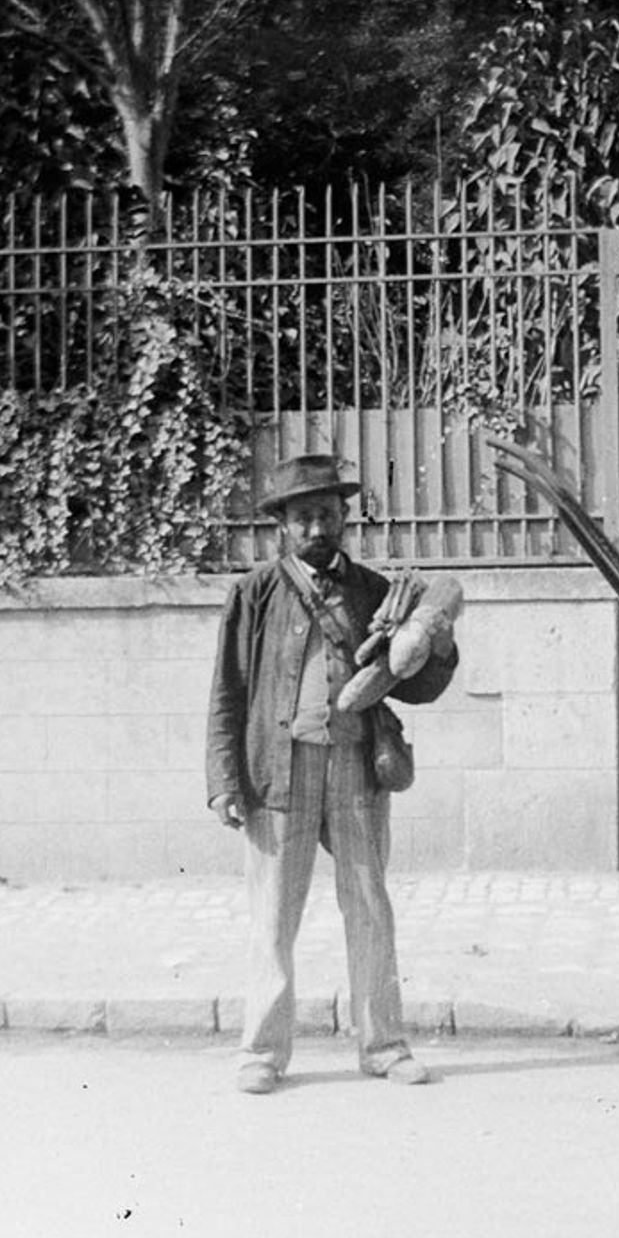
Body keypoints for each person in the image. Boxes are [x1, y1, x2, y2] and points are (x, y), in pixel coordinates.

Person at [205, 454, 459, 1094]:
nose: (316, 528)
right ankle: (261, 1051)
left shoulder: (374, 590)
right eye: (302, 518)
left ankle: (384, 1046)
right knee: (273, 915)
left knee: (370, 908)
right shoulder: (254, 594)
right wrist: (224, 782)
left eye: (326, 514)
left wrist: (440, 640)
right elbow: (227, 693)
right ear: (283, 526)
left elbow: (415, 684)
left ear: (345, 518)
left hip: (356, 766)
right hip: (277, 773)